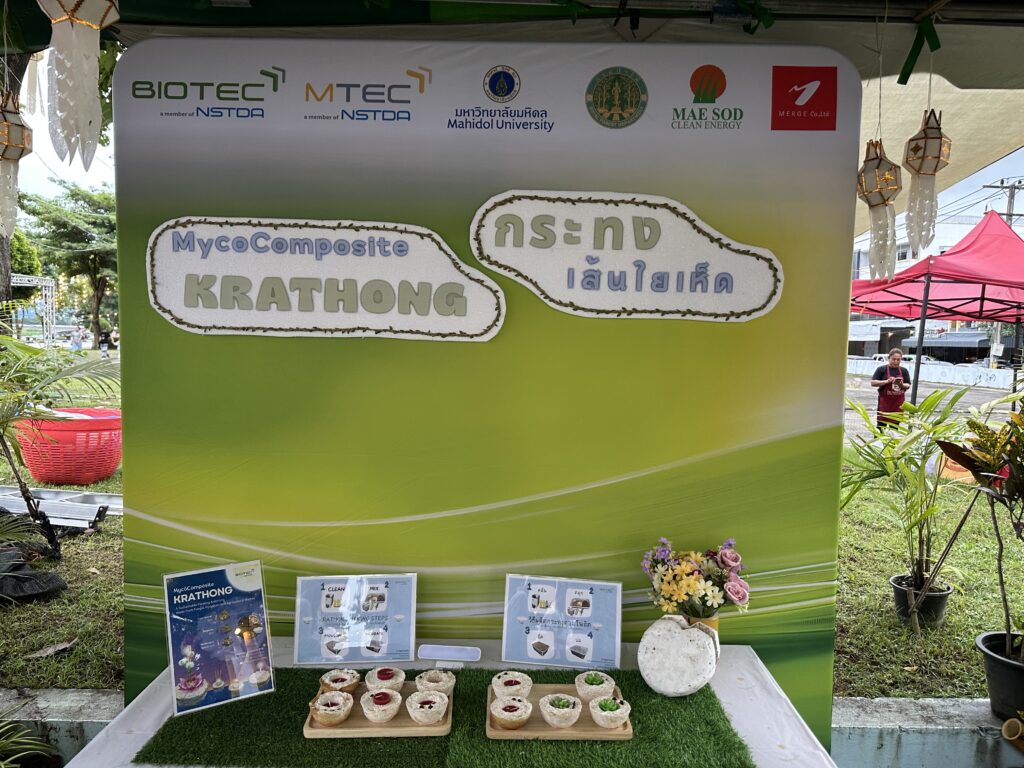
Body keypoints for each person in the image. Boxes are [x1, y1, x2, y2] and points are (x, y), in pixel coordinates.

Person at [871, 348, 912, 428]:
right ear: (889, 358)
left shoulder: (904, 371)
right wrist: (886, 381)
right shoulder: (881, 369)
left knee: (894, 428)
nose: (896, 361)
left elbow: (908, 385)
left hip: (898, 404)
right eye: (893, 359)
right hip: (884, 404)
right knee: (881, 428)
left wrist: (902, 385)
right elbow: (873, 383)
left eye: (898, 360)